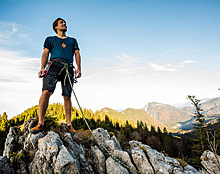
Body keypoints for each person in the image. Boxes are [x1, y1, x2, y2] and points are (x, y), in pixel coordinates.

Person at [31, 18, 81, 135]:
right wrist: (42, 68)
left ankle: (69, 124)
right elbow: (45, 53)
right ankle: (40, 123)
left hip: (68, 67)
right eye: (61, 23)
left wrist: (79, 68)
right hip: (54, 65)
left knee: (67, 95)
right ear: (56, 27)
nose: (64, 24)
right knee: (46, 92)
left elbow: (77, 54)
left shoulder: (72, 40)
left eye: (65, 23)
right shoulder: (50, 39)